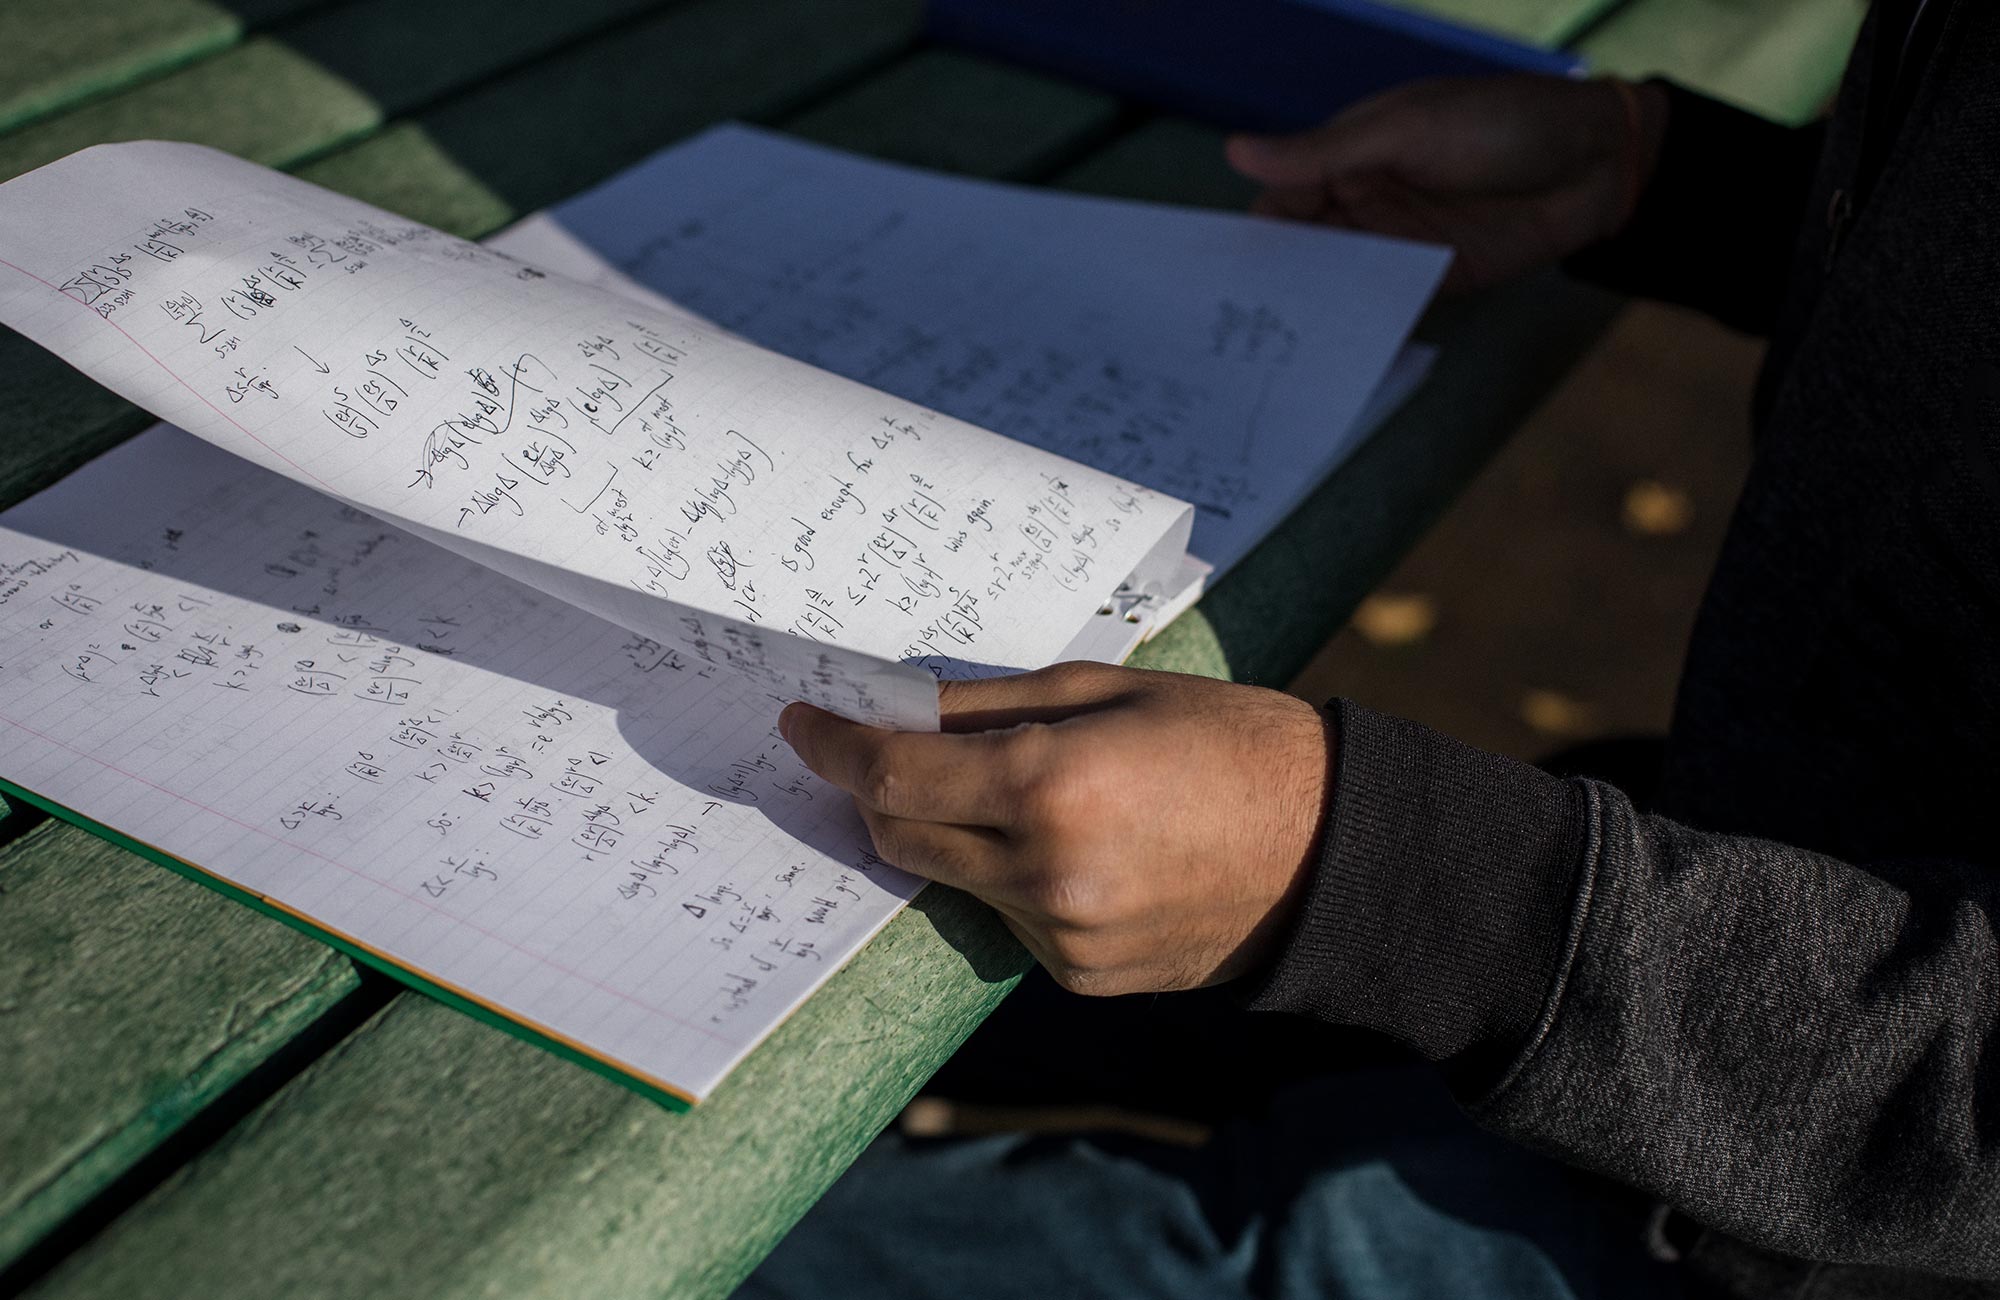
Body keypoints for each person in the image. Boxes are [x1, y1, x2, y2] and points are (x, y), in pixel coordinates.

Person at [742, 2, 2000, 1296]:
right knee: (899, 965)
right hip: (1693, 871)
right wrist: (1681, 180)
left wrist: (1399, 887)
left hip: (1819, 1200)